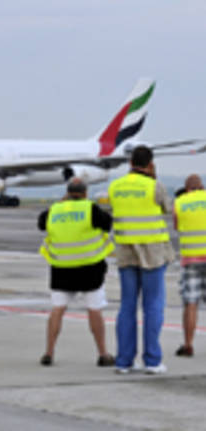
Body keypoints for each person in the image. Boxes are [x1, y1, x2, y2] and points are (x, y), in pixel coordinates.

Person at [109, 145, 175, 374]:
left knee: (127, 306)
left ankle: (124, 361)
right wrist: (153, 178)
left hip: (126, 250)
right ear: (150, 164)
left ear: (130, 163)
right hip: (152, 252)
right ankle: (152, 360)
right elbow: (169, 209)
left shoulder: (115, 186)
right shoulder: (154, 185)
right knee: (153, 306)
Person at [38, 178, 116, 367]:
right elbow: (108, 224)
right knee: (94, 310)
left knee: (57, 310)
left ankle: (49, 352)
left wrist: (61, 203)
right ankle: (103, 353)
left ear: (68, 192)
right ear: (85, 192)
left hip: (61, 268)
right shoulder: (91, 209)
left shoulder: (54, 210)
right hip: (89, 268)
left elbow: (41, 224)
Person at [174, 174, 206, 357]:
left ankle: (188, 345)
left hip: (191, 259)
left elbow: (177, 227)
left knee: (191, 303)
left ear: (187, 189)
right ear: (201, 187)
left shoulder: (180, 202)